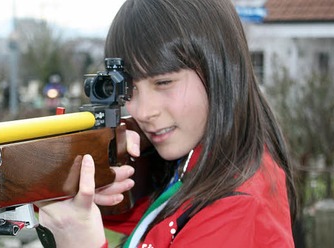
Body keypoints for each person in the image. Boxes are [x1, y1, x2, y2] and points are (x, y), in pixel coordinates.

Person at [35, 0, 298, 247]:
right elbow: (147, 212)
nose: (143, 111)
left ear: (221, 70)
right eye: (130, 89)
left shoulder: (237, 206)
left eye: (163, 83)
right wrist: (83, 185)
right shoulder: (195, 167)